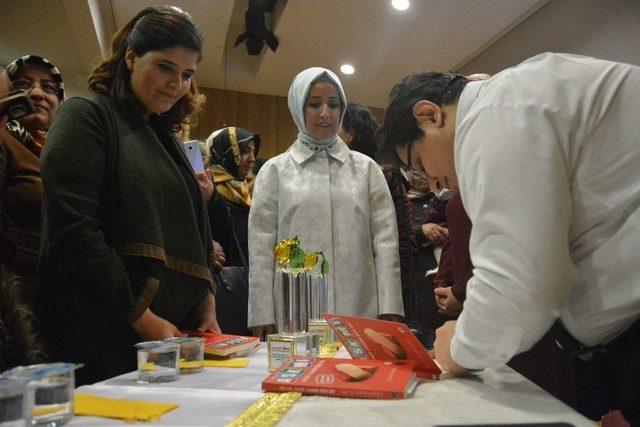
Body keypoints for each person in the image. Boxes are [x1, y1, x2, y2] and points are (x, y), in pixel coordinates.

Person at [381, 53, 640, 422]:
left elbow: (521, 283)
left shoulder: (493, 112)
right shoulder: (516, 95)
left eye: (422, 165)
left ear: (429, 115)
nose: (439, 184)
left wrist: (459, 347)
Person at [38, 6, 220, 385]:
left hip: (166, 337)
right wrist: (141, 316)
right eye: (165, 67)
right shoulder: (85, 115)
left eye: (187, 74)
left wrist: (206, 300)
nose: (177, 84)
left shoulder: (165, 138)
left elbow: (193, 228)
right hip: (103, 335)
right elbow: (73, 232)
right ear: (131, 57)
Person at [248, 67, 403, 339]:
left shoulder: (366, 170)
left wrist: (390, 306)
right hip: (294, 309)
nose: (325, 113)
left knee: (359, 376)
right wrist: (261, 312)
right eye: (314, 104)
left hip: (360, 305)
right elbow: (261, 247)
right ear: (298, 107)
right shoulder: (274, 171)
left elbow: (386, 241)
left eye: (333, 104)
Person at [0, 55, 65, 304]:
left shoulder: (64, 161)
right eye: (23, 85)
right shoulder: (3, 140)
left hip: (56, 301)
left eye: (48, 88)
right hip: (13, 300)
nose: (37, 93)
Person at [205, 127, 259, 267]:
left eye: (254, 152)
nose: (252, 159)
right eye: (245, 151)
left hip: (244, 276)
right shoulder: (207, 188)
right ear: (227, 152)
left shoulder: (245, 191)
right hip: (219, 277)